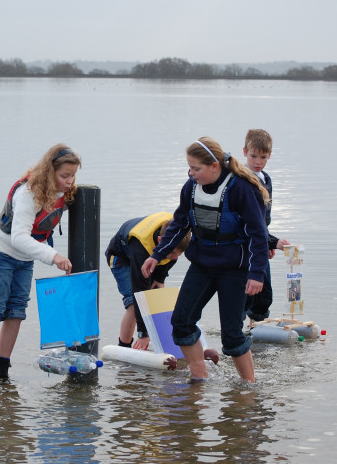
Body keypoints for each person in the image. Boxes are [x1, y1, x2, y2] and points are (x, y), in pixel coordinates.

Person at [141, 137, 270, 383]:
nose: (191, 173)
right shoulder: (190, 188)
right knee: (181, 323)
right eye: (189, 168)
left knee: (232, 336)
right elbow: (179, 224)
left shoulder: (241, 188)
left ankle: (250, 388)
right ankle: (199, 378)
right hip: (202, 265)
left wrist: (256, 273)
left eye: (196, 168)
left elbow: (258, 234)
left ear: (214, 166)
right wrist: (156, 256)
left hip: (235, 269)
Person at [0, 144, 81, 384]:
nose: (70, 181)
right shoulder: (28, 194)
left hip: (24, 258)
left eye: (73, 175)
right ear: (49, 172)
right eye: (64, 176)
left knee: (17, 312)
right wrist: (54, 256)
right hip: (0, 253)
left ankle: (1, 371)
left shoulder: (64, 191)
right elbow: (19, 237)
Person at [105, 213, 191, 350]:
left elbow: (170, 259)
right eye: (173, 253)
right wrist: (143, 333)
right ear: (160, 239)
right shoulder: (140, 248)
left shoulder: (178, 235)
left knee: (156, 298)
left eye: (178, 255)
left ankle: (164, 343)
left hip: (152, 256)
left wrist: (159, 278)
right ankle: (124, 347)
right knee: (134, 304)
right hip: (121, 257)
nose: (175, 258)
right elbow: (139, 291)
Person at [242, 129, 290, 326]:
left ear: (269, 155)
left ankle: (255, 327)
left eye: (263, 157)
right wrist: (272, 241)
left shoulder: (266, 179)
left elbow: (263, 218)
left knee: (264, 293)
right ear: (245, 152)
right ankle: (237, 328)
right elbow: (247, 219)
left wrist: (267, 240)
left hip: (261, 240)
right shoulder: (242, 180)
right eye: (253, 156)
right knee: (247, 290)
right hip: (244, 244)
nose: (258, 162)